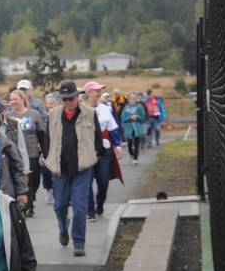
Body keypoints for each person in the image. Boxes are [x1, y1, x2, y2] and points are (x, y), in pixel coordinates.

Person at [42, 81, 104, 257]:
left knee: (80, 207)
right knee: (59, 205)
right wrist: (47, 157)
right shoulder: (53, 114)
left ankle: (79, 242)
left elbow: (97, 137)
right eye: (65, 99)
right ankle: (63, 227)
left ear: (78, 97)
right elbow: (47, 139)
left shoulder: (89, 113)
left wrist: (96, 155)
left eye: (71, 98)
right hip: (60, 168)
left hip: (82, 168)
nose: (69, 102)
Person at [83, 81, 123, 222]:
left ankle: (99, 205)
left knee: (104, 181)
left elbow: (112, 128)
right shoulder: (80, 109)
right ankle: (90, 211)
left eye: (100, 90)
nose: (99, 93)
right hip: (86, 152)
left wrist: (118, 146)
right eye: (96, 90)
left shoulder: (105, 108)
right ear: (88, 92)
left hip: (104, 151)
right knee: (86, 182)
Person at [5, 90, 46, 217]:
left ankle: (31, 199)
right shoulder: (8, 115)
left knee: (34, 180)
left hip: (32, 152)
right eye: (11, 99)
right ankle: (26, 206)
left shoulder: (34, 114)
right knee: (20, 179)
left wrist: (43, 152)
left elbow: (41, 134)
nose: (13, 102)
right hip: (16, 154)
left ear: (22, 99)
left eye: (16, 99)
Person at [121, 92, 148, 165]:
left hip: (137, 128)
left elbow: (143, 118)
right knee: (129, 144)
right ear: (128, 100)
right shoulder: (126, 108)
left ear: (136, 100)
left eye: (134, 99)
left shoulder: (140, 107)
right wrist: (130, 117)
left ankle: (135, 159)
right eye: (131, 99)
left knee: (136, 144)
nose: (132, 100)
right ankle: (131, 154)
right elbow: (123, 118)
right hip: (129, 128)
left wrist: (137, 117)